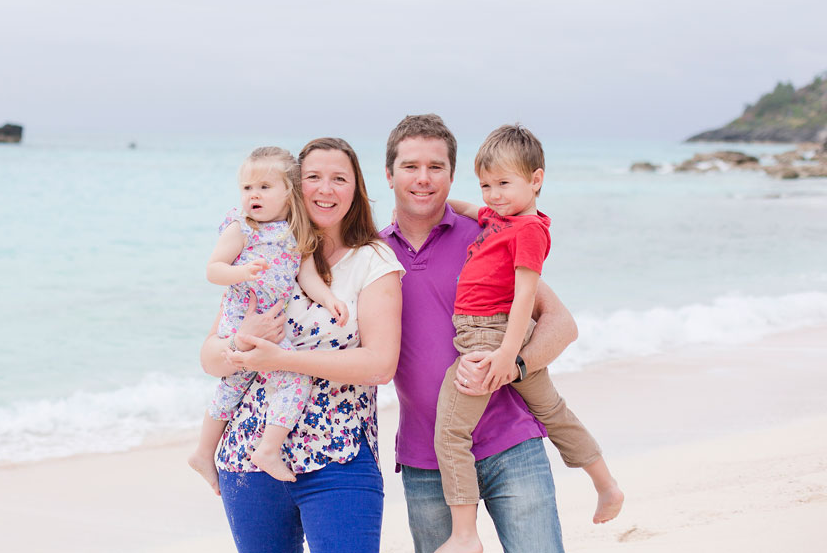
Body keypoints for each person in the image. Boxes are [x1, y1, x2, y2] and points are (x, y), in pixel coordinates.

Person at [381, 114, 576, 553]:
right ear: (389, 173)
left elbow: (561, 324)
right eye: (411, 166)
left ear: (453, 176)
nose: (424, 179)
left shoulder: (490, 234)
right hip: (427, 458)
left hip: (511, 444)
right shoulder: (374, 255)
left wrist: (515, 364)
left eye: (437, 167)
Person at [199, 137, 404, 553]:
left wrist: (283, 358)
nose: (325, 189)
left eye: (339, 179)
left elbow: (380, 366)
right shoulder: (255, 247)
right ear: (295, 185)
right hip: (249, 451)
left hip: (337, 454)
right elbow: (210, 359)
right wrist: (239, 342)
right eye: (314, 177)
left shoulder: (373, 261)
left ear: (356, 190)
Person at [433, 124, 624, 553]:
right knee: (553, 411)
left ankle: (464, 536)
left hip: (489, 337)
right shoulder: (501, 218)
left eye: (504, 183)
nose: (493, 194)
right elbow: (472, 209)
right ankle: (606, 484)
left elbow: (523, 297)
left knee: (449, 431)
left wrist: (506, 355)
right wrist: (437, 206)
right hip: (492, 334)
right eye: (486, 185)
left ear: (536, 180)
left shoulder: (529, 231)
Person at [188, 146, 350, 488]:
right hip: (241, 322)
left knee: (276, 378)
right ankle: (230, 450)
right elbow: (213, 270)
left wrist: (329, 298)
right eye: (247, 188)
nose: (253, 196)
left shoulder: (294, 234)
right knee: (253, 382)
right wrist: (242, 272)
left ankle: (237, 451)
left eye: (263, 187)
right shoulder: (241, 229)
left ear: (288, 194)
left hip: (273, 330)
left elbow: (307, 278)